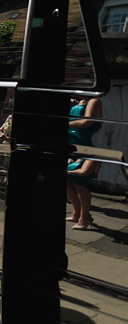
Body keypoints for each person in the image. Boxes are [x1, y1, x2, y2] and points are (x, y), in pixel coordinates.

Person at [65, 97, 103, 230]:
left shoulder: (94, 101)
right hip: (72, 141)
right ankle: (77, 212)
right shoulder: (78, 101)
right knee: (67, 180)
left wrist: (65, 124)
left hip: (84, 142)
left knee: (80, 181)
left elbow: (88, 121)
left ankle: (84, 217)